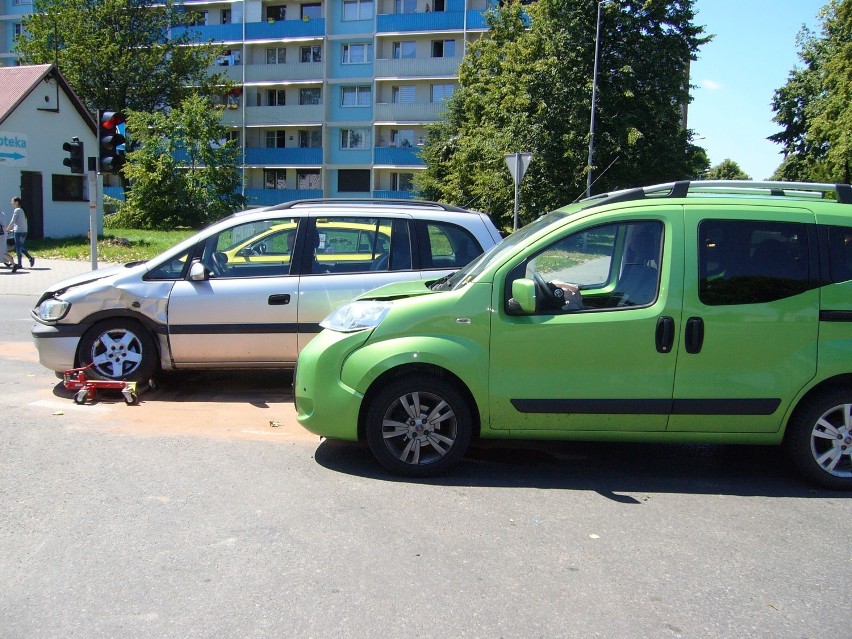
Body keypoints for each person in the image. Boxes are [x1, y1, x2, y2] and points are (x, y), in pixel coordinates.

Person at [6, 197, 34, 269]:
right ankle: (30, 258)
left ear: (17, 202)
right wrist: (11, 229)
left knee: (18, 247)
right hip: (24, 231)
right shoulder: (22, 210)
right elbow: (18, 223)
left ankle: (19, 264)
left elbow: (12, 221)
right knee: (19, 246)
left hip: (18, 232)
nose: (11, 203)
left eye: (12, 201)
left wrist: (6, 230)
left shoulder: (17, 210)